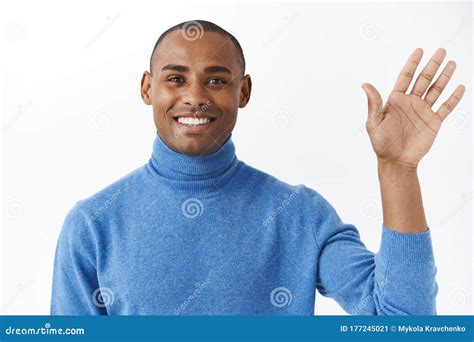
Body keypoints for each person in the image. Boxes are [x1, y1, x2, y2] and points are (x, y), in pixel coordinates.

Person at [50, 20, 465, 315]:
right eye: (176, 79)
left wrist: (398, 169)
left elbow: (403, 323)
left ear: (243, 91)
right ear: (147, 88)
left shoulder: (300, 215)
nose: (195, 96)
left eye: (216, 80)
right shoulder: (92, 225)